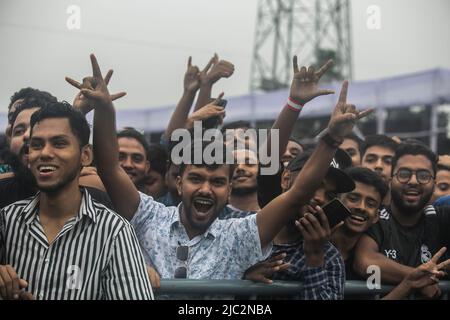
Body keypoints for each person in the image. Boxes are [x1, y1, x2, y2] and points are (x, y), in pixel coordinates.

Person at [81, 54, 370, 285]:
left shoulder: (240, 233)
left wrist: (330, 138)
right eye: (196, 178)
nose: (206, 189)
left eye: (217, 182)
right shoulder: (149, 214)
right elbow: (108, 168)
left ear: (228, 190)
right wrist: (105, 110)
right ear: (178, 183)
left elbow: (297, 194)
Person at [0, 102, 153, 300]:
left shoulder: (114, 231)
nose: (45, 153)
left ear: (85, 155)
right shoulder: (6, 221)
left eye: (59, 143)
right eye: (36, 145)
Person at [244, 149, 355, 299]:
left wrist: (315, 259)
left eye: (330, 195)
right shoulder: (244, 229)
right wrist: (242, 276)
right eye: (314, 184)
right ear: (285, 178)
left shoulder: (329, 257)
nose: (321, 199)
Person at [354, 142, 450, 299]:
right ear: (391, 180)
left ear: (434, 184)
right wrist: (421, 278)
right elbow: (365, 262)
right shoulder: (376, 217)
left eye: (423, 176)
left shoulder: (440, 217)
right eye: (404, 174)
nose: (413, 181)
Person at [330, 167, 388, 280]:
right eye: (353, 199)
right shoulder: (314, 242)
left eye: (370, 204)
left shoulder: (378, 255)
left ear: (376, 216)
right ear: (336, 201)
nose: (361, 207)